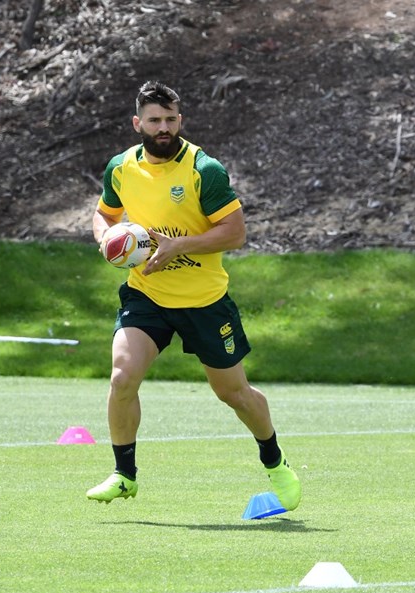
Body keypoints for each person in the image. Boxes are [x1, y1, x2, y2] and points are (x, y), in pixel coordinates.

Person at [85, 81, 301, 514]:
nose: (163, 128)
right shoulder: (121, 168)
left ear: (180, 120)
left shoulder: (205, 169)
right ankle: (124, 475)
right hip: (146, 294)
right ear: (138, 123)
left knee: (234, 393)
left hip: (204, 302)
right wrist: (106, 238)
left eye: (170, 119)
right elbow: (103, 214)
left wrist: (177, 247)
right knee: (122, 377)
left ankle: (276, 464)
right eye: (154, 120)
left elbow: (235, 233)